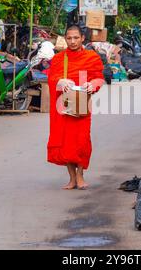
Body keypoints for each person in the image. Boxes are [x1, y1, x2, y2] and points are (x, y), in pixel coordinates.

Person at [47, 25, 104, 190]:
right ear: (65, 39)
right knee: (65, 142)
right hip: (63, 107)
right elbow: (52, 78)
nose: (72, 41)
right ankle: (72, 178)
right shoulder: (59, 59)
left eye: (76, 38)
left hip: (81, 105)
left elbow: (99, 78)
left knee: (81, 141)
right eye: (69, 38)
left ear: (82, 39)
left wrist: (91, 84)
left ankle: (80, 175)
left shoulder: (91, 57)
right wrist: (60, 82)